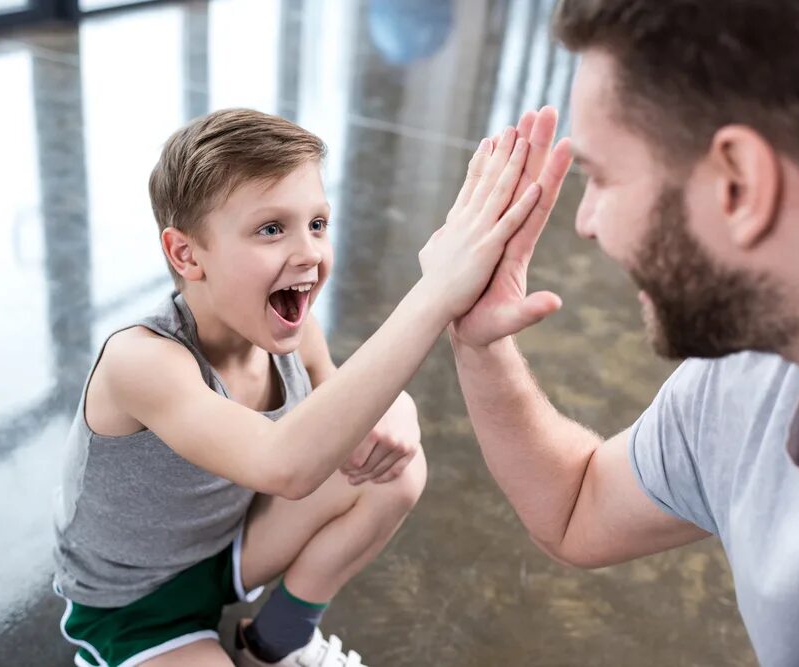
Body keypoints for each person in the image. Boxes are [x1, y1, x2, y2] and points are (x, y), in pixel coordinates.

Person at [51, 107, 561, 667]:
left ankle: (277, 642)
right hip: (133, 604)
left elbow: (342, 405)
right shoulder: (141, 361)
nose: (310, 254)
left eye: (317, 224)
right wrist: (435, 295)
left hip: (225, 551)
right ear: (185, 253)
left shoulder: (291, 329)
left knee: (395, 469)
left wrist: (400, 408)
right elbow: (284, 465)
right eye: (272, 229)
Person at [450, 2, 799, 665]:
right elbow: (578, 505)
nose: (586, 220)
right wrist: (480, 342)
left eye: (599, 177)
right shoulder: (744, 375)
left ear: (738, 185)